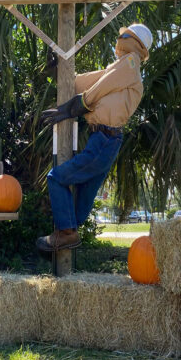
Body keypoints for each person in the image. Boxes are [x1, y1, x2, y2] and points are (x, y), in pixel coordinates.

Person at [36, 23, 152, 252]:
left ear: (136, 44)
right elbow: (85, 82)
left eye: (125, 36)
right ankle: (70, 232)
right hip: (104, 140)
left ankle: (66, 233)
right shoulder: (118, 68)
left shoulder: (131, 63)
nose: (120, 40)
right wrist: (59, 73)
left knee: (57, 178)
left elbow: (98, 87)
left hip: (105, 140)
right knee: (83, 196)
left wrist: (82, 102)